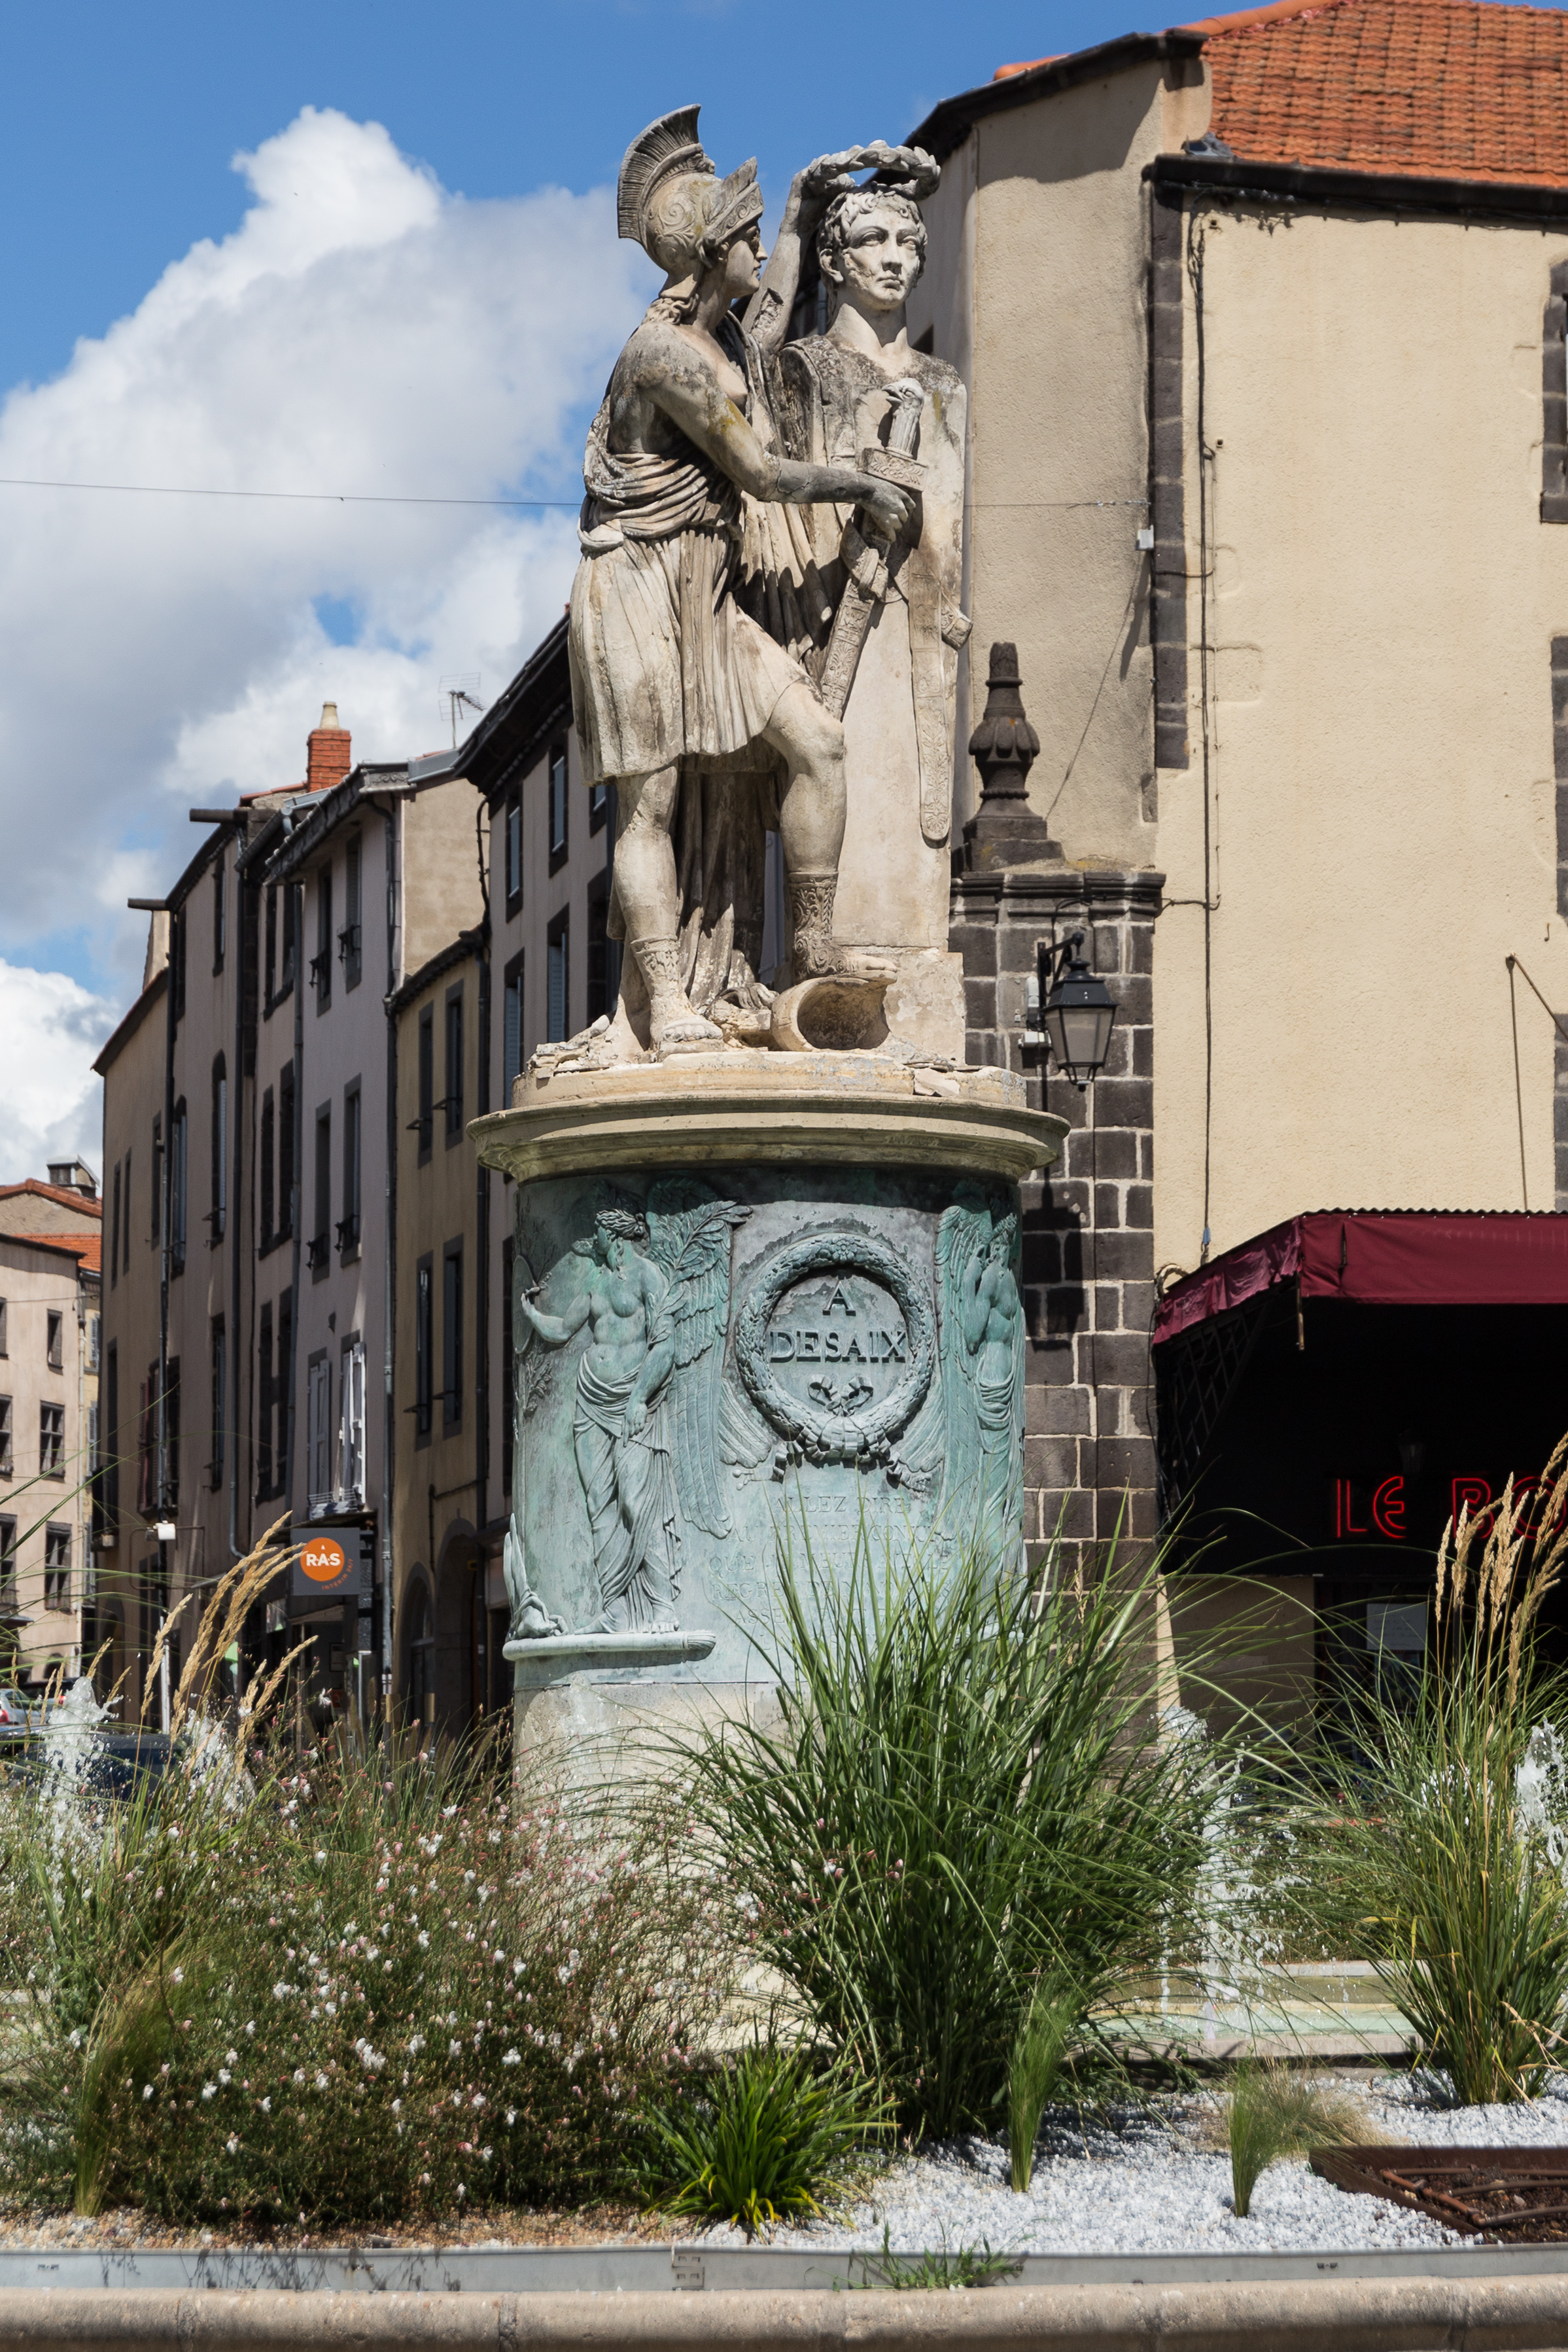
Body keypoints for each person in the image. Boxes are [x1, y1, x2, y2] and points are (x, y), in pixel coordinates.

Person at [568, 109, 922, 1059]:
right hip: (636, 588)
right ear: (709, 251)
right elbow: (761, 473)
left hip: (706, 594)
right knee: (650, 802)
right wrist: (862, 481)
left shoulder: (722, 339)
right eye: (749, 236)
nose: (760, 249)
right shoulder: (665, 356)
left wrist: (806, 214)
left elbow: (765, 314)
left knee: (817, 742)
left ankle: (808, 934)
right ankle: (664, 994)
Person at [768, 179, 969, 974]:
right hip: (833, 617)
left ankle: (912, 953)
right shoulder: (806, 370)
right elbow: (790, 511)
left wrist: (947, 602)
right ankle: (825, 951)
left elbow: (949, 523)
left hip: (924, 628)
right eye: (873, 242)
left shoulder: (944, 383)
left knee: (920, 796)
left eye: (908, 244)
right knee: (835, 763)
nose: (894, 259)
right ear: (835, 258)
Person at [516, 1208, 679, 1632]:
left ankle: (663, 1607)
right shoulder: (593, 1282)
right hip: (590, 1398)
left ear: (616, 1236)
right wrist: (532, 1316)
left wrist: (640, 1397)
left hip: (630, 1398)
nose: (593, 1238)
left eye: (599, 1231)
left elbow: (665, 1343)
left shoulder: (647, 1276)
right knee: (597, 1504)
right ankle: (615, 1610)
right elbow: (563, 1329)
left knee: (635, 1501)